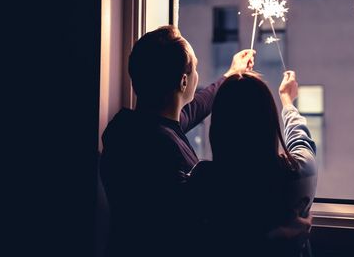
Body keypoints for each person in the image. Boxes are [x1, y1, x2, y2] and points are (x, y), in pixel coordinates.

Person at [99, 25, 256, 256]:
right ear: (184, 82)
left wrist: (230, 74)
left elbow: (194, 107)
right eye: (195, 69)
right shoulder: (163, 149)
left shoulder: (131, 129)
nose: (197, 77)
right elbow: (196, 230)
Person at [196, 70, 317, 256]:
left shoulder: (204, 182)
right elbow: (301, 141)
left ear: (218, 128)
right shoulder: (298, 174)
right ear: (269, 122)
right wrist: (287, 102)